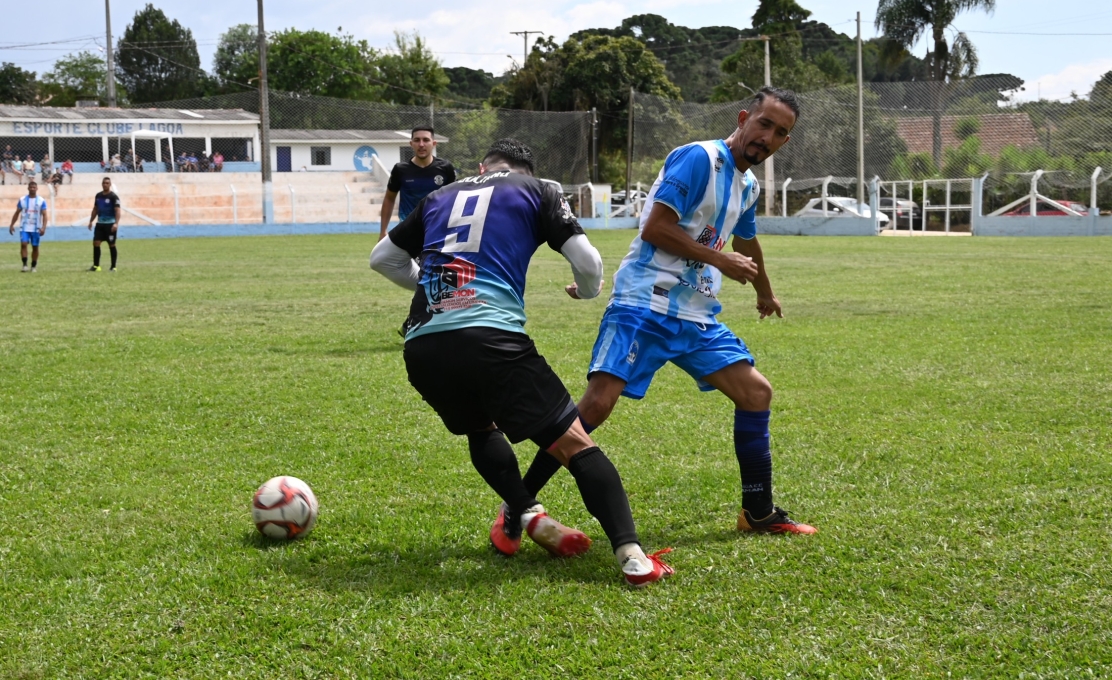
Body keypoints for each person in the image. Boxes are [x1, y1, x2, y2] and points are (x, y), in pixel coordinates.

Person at [507, 87, 818, 539]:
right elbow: (655, 228)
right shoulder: (698, 158)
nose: (767, 137)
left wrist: (764, 292)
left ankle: (758, 511)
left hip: (695, 312)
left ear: (784, 143)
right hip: (643, 302)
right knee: (597, 404)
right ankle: (516, 505)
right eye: (764, 124)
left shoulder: (747, 184)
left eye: (780, 133)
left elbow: (746, 241)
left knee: (756, 393)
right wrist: (719, 260)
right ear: (745, 117)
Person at [369, 139, 674, 587]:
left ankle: (527, 514)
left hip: (424, 345)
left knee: (480, 428)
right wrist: (587, 292)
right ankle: (632, 557)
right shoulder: (537, 189)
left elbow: (383, 259)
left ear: (479, 167)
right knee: (573, 442)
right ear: (526, 171)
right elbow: (588, 261)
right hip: (490, 338)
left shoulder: (439, 196)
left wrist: (430, 284)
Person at [378, 126, 456, 241]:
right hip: (408, 230)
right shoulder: (400, 169)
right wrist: (383, 231)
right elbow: (389, 198)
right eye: (417, 140)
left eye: (426, 140)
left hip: (437, 230)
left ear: (434, 143)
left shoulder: (445, 168)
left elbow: (454, 199)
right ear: (411, 144)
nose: (421, 144)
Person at [8, 180, 48, 272]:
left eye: (34, 187)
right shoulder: (22, 200)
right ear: (28, 188)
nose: (32, 189)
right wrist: (12, 224)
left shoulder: (41, 200)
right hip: (24, 227)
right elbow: (17, 212)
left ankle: (33, 266)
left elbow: (45, 215)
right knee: (23, 244)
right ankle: (24, 265)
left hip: (36, 228)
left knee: (35, 247)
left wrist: (43, 227)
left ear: (37, 188)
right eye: (31, 187)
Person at [87, 177, 121, 272]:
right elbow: (95, 209)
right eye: (104, 183)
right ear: (102, 184)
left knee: (112, 244)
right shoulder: (98, 196)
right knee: (96, 243)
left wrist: (116, 223)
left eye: (107, 183)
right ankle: (96, 266)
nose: (105, 184)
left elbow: (117, 211)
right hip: (100, 224)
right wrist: (91, 221)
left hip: (110, 225)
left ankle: (113, 266)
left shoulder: (113, 197)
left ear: (110, 184)